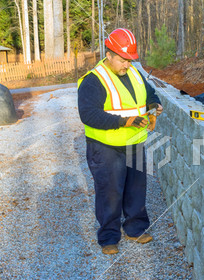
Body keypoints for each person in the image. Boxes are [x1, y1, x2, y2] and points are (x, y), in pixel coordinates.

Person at [77, 28, 163, 255]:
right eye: (123, 60)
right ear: (109, 54)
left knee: (136, 188)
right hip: (105, 147)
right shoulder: (93, 81)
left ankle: (135, 228)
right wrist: (125, 121)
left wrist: (154, 107)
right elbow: (89, 115)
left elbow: (150, 93)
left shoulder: (134, 73)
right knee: (110, 192)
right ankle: (108, 237)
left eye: (130, 60)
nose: (127, 64)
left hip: (134, 143)